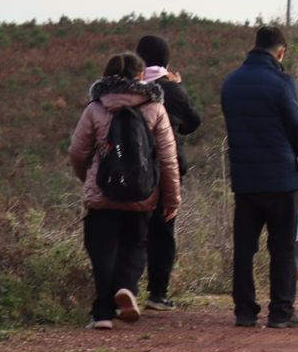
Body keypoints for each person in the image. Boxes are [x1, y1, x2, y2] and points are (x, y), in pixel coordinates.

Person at [69, 52, 181, 329]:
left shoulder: (96, 107)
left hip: (103, 194)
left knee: (101, 250)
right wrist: (172, 198)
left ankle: (102, 314)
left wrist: (90, 179)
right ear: (140, 76)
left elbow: (77, 151)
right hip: (142, 194)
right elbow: (167, 158)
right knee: (135, 245)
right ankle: (127, 288)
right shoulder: (155, 108)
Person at [220, 26, 298, 329]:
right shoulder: (282, 83)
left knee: (245, 248)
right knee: (283, 247)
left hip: (245, 180)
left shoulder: (231, 83)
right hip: (280, 179)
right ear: (281, 51)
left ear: (255, 46)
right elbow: (297, 127)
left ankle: (245, 311)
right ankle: (281, 311)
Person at [133, 35, 201, 312]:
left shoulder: (129, 87)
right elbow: (192, 123)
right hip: (165, 169)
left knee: (134, 232)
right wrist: (179, 87)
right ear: (167, 60)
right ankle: (157, 294)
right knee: (163, 231)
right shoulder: (171, 90)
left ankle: (126, 288)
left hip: (132, 170)